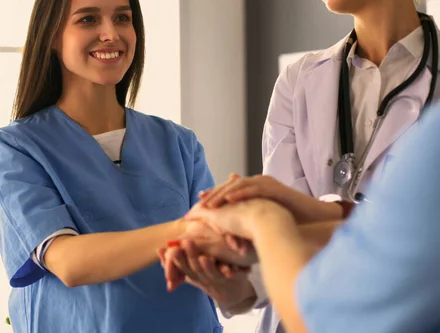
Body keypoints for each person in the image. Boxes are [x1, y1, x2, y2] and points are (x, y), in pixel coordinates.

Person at [168, 1, 440, 332]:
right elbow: (282, 242)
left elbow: (409, 239)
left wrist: (262, 221)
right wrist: (236, 285)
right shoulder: (297, 80)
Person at [0, 0, 234, 332]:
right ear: (51, 36)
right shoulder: (16, 148)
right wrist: (185, 230)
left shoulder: (179, 143)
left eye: (122, 18)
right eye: (88, 19)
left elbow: (220, 256)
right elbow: (69, 263)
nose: (110, 34)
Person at [178, 105, 440, 333]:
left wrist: (263, 219)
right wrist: (325, 211)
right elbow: (394, 232)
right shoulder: (299, 78)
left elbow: (320, 317)